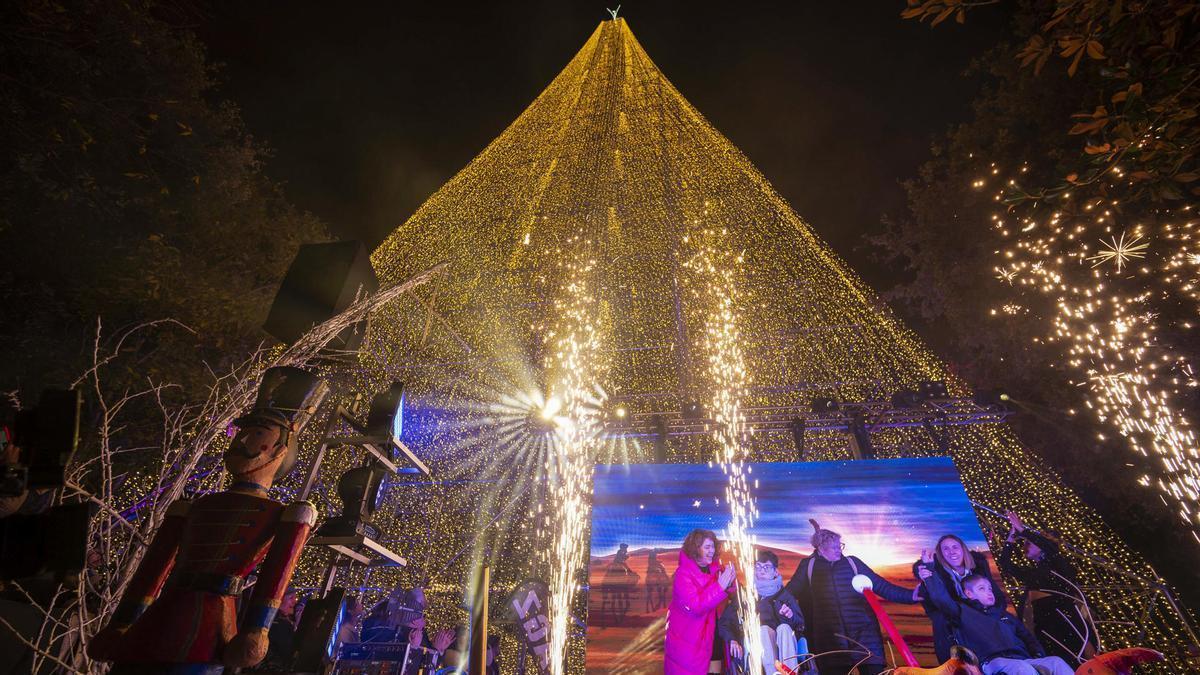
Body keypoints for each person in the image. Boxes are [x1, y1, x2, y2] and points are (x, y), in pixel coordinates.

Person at [784, 520, 920, 675]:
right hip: (830, 639)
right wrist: (777, 603)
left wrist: (911, 596)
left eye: (840, 545)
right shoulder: (809, 566)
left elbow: (881, 586)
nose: (839, 550)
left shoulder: (853, 563)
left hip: (865, 636)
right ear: (821, 549)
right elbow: (791, 591)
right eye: (834, 547)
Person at [917, 550, 1073, 675]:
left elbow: (1028, 638)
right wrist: (930, 572)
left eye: (990, 588)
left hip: (1021, 658)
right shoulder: (962, 612)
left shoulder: (1005, 616)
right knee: (1021, 669)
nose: (989, 592)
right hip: (991, 662)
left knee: (1055, 662)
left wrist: (1038, 655)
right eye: (981, 589)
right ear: (969, 594)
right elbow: (941, 598)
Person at [997, 511, 1095, 665]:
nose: (1025, 545)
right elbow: (1006, 565)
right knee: (1056, 661)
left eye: (1029, 542)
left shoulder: (1057, 564)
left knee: (1078, 657)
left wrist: (1023, 531)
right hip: (1042, 622)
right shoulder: (1033, 572)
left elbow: (1050, 548)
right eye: (1025, 542)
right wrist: (1010, 539)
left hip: (1063, 617)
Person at [913, 534, 1009, 663]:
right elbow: (937, 602)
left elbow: (997, 599)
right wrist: (928, 578)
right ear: (940, 554)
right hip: (953, 630)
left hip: (984, 625)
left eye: (955, 547)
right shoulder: (935, 572)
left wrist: (992, 616)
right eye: (945, 549)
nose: (951, 551)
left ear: (963, 549)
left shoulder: (979, 567)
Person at [718, 550, 807, 674]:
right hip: (757, 647)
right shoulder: (744, 596)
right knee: (763, 630)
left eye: (767, 567)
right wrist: (732, 639)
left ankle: (790, 671)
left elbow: (800, 625)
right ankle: (771, 672)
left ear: (775, 571)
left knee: (784, 628)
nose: (762, 570)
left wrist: (791, 616)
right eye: (758, 566)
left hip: (784, 642)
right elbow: (724, 623)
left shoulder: (785, 596)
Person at [664, 528, 737, 674]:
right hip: (691, 639)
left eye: (713, 546)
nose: (712, 550)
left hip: (714, 634)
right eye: (707, 547)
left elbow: (732, 596)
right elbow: (694, 606)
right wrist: (720, 587)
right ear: (695, 549)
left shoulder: (717, 569)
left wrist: (730, 585)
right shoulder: (683, 574)